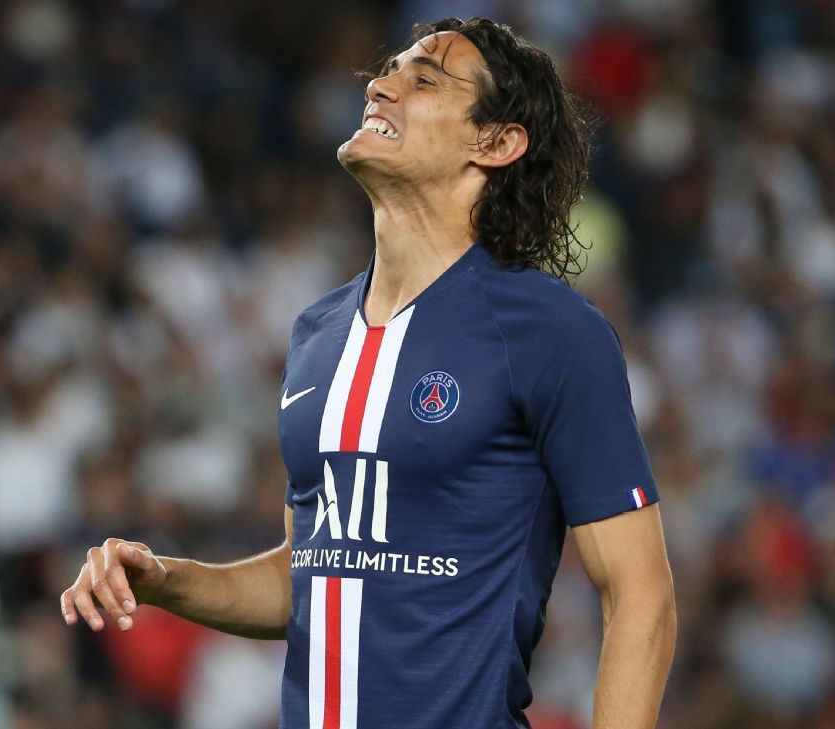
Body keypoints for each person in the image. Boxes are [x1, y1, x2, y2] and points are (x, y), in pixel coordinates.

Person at [62, 17, 676, 729]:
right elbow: (310, 575)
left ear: (496, 142)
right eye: (388, 71)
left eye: (425, 79)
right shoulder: (316, 332)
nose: (380, 86)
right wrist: (166, 579)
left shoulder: (551, 332)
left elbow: (640, 594)